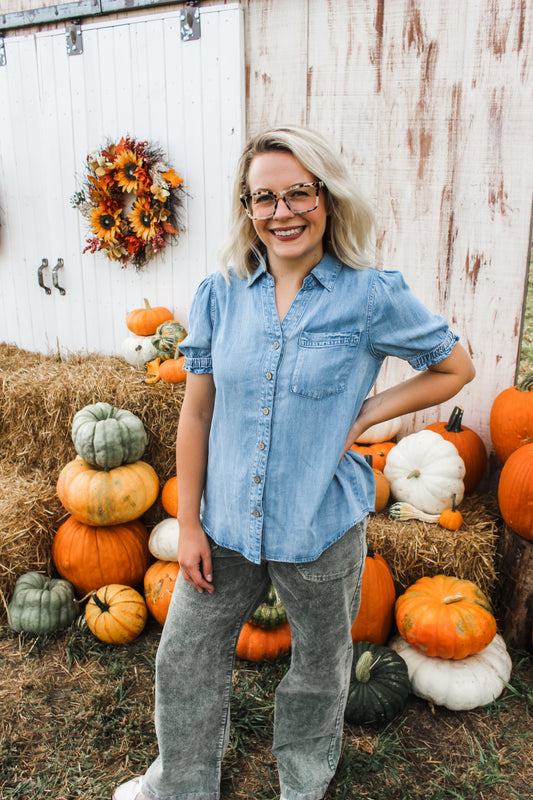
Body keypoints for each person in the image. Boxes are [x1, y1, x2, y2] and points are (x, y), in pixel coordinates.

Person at [113, 125, 475, 800]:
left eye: (298, 194)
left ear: (327, 199)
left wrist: (368, 414)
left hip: (318, 527)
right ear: (247, 208)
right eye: (264, 199)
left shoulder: (369, 296)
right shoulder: (220, 293)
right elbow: (195, 415)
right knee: (184, 657)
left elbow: (453, 366)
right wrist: (187, 524)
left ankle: (301, 786)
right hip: (222, 527)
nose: (282, 213)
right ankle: (179, 785)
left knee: (318, 667)